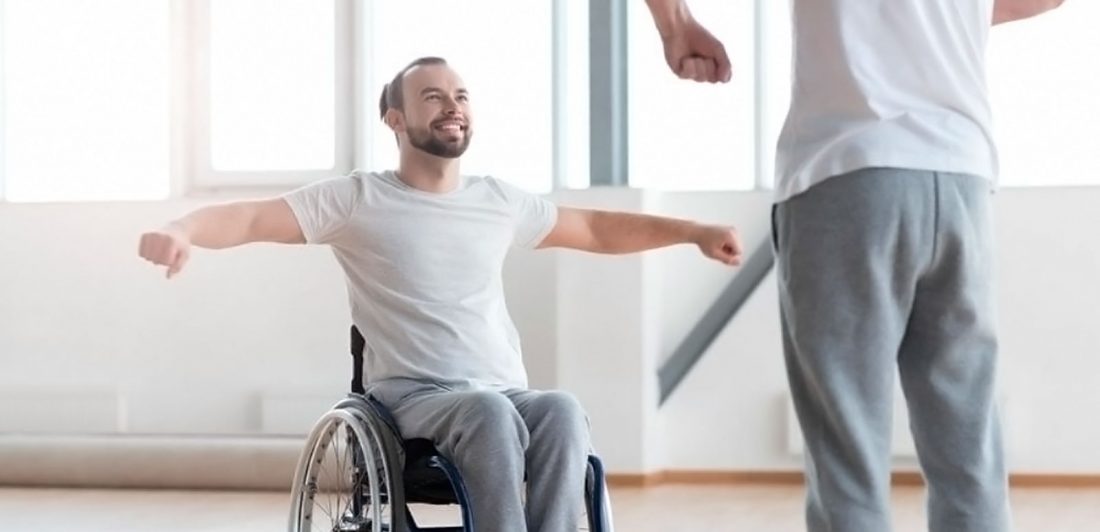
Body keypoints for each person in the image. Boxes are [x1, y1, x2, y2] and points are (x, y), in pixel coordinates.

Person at [138, 56, 743, 532]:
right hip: (411, 397)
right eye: (433, 97)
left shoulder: (497, 200)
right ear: (395, 120)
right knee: (488, 412)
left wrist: (692, 232)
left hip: (502, 390)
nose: (452, 107)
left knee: (558, 407)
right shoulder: (358, 200)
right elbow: (248, 218)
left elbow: (594, 228)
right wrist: (180, 230)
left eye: (460, 96)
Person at [644, 1, 1065, 531]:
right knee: (969, 453)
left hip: (848, 172)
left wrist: (675, 24)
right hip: (962, 182)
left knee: (848, 457)